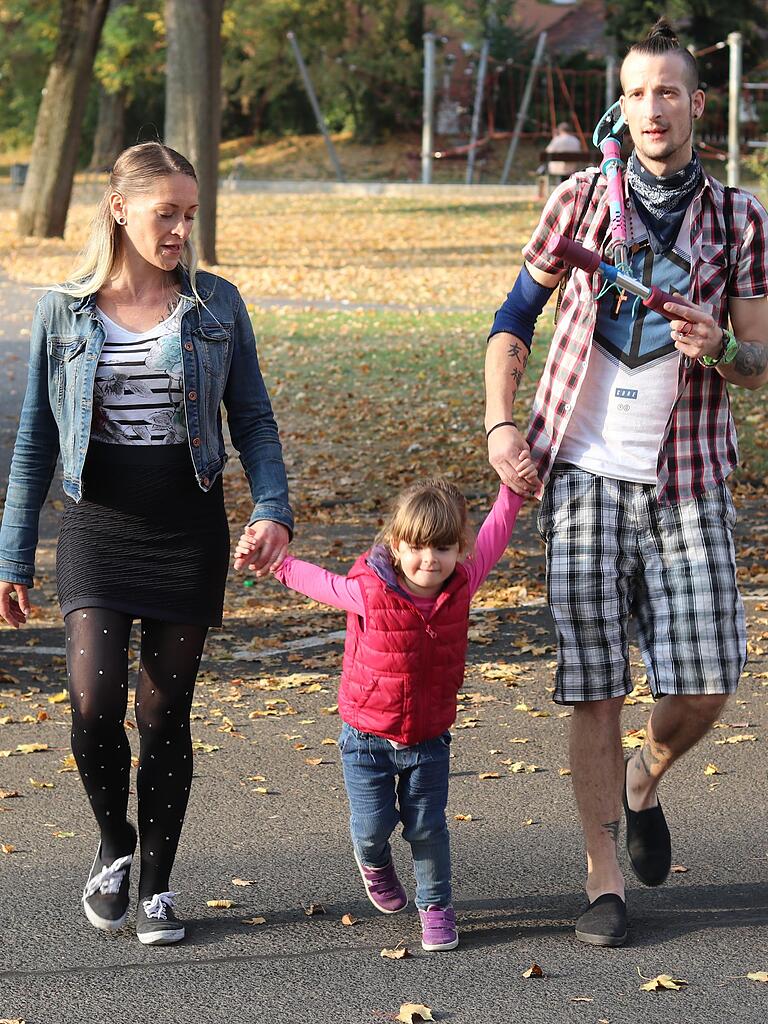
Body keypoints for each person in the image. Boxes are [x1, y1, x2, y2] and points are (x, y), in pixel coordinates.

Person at [484, 19, 768, 947]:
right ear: (625, 104)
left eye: (671, 91)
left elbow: (760, 358)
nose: (655, 105)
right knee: (593, 685)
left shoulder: (738, 217)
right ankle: (604, 881)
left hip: (687, 481)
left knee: (709, 683)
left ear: (696, 105)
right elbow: (513, 316)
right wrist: (498, 423)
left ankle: (645, 777)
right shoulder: (578, 203)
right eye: (639, 91)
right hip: (582, 479)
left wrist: (720, 344)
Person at [0, 142, 293, 946]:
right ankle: (114, 842)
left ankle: (157, 886)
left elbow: (255, 421)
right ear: (120, 210)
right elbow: (34, 444)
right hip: (97, 526)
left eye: (189, 214)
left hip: (187, 526)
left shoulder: (216, 305)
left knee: (164, 713)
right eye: (167, 213)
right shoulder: (64, 309)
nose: (180, 230)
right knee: (94, 705)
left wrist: (274, 507)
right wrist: (12, 558)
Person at [234, 473, 534, 951]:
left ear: (460, 551)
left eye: (442, 549)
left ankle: (435, 905)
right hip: (367, 738)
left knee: (428, 826)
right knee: (373, 828)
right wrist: (275, 562)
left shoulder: (461, 585)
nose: (429, 560)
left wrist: (512, 493)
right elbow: (318, 581)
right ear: (396, 545)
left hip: (429, 737)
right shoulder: (368, 591)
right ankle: (374, 862)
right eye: (417, 547)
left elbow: (496, 533)